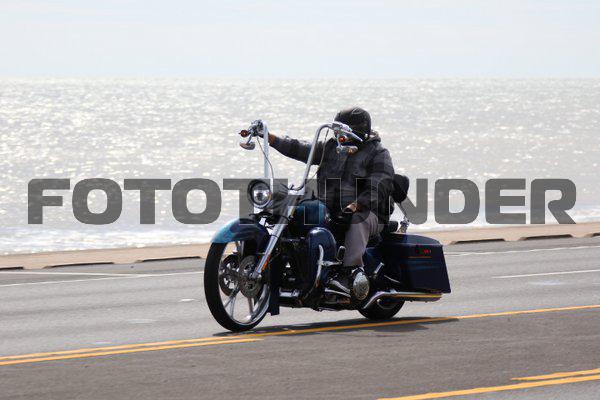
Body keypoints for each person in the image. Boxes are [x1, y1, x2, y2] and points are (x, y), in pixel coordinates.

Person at [259, 107, 395, 270]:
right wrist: (271, 138)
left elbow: (378, 188)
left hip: (369, 212)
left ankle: (351, 271)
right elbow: (301, 148)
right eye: (336, 130)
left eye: (342, 130)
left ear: (358, 129)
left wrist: (355, 206)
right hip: (331, 209)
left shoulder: (378, 153)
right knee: (296, 210)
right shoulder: (332, 147)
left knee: (358, 220)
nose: (338, 135)